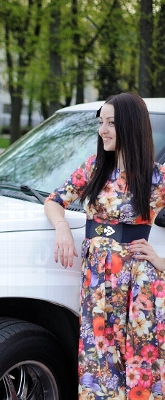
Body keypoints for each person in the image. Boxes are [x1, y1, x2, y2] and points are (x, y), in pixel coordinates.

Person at [44, 92, 165, 398]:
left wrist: (162, 261)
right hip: (97, 282)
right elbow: (55, 201)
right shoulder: (94, 168)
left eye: (111, 123)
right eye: (101, 123)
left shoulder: (157, 178)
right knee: (98, 362)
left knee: (138, 363)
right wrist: (62, 227)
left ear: (131, 125)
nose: (103, 130)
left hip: (138, 284)